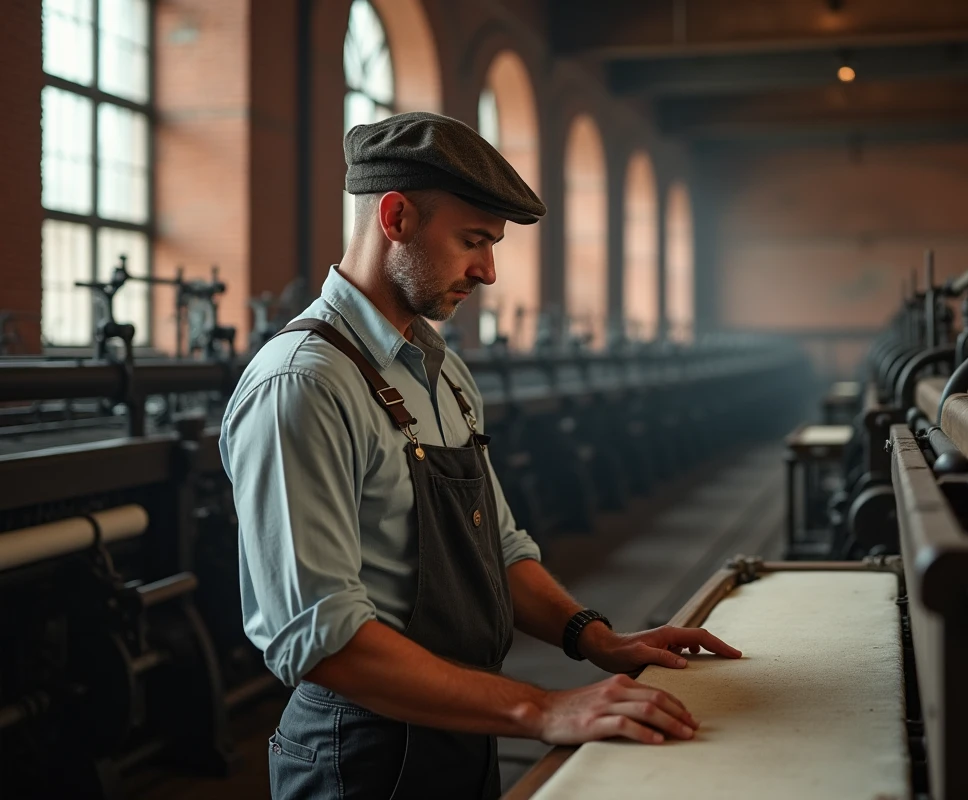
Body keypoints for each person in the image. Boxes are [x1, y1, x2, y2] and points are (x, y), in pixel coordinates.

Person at [219, 111, 741, 799]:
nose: (489, 272)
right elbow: (321, 640)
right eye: (473, 241)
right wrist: (543, 707)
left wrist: (594, 637)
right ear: (396, 217)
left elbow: (497, 548)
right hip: (361, 756)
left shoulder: (444, 371)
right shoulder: (303, 384)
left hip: (463, 722)